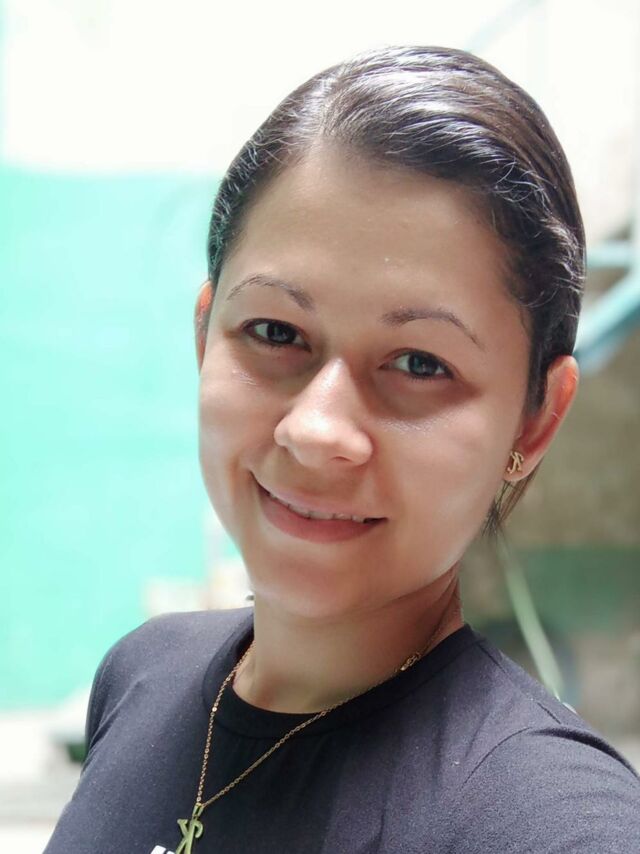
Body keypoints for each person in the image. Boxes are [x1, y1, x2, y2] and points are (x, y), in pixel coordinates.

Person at [45, 45, 640, 854]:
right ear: (205, 336)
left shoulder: (547, 819)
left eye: (420, 364)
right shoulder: (143, 676)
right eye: (275, 331)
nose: (316, 429)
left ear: (535, 421)